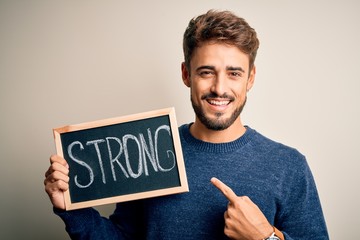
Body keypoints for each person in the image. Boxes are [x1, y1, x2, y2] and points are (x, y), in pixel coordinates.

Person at [44, 10, 329, 240]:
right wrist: (70, 207)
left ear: (250, 79)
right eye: (207, 72)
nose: (219, 88)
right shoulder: (150, 151)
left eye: (234, 73)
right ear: (186, 74)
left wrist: (265, 238)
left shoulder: (289, 166)